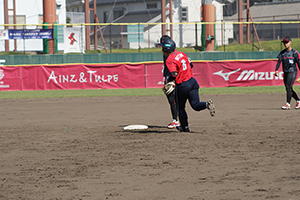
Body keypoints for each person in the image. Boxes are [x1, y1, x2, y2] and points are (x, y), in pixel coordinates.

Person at [158, 38, 215, 132]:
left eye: (162, 48)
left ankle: (185, 127)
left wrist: (171, 82)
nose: (161, 50)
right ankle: (206, 105)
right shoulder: (182, 54)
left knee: (180, 108)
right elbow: (191, 65)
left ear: (166, 50)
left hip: (183, 85)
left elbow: (174, 74)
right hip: (193, 82)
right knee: (195, 105)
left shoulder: (169, 60)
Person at [159, 35, 180, 128]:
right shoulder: (168, 54)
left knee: (173, 100)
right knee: (172, 100)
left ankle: (176, 120)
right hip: (168, 77)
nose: (161, 48)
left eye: (163, 45)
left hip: (173, 78)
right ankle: (176, 120)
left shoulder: (172, 55)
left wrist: (173, 81)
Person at [275, 36, 300, 110]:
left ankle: (288, 104)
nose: (285, 44)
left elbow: (299, 63)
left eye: (286, 42)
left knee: (288, 87)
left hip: (292, 71)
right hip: (285, 72)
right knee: (288, 88)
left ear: (290, 42)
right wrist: (276, 69)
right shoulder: (282, 53)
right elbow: (279, 61)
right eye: (284, 42)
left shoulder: (294, 53)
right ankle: (298, 100)